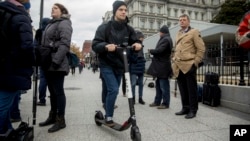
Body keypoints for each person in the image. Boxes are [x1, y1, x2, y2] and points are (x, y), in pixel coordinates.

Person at [92, 1, 142, 126]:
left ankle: (106, 105)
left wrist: (138, 44)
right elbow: (95, 44)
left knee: (110, 90)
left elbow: (136, 41)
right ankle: (109, 117)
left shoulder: (129, 29)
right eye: (121, 9)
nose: (124, 12)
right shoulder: (104, 27)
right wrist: (106, 46)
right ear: (115, 11)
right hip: (106, 63)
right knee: (113, 89)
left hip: (121, 65)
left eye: (125, 10)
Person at [0, 0, 34, 135]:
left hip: (4, 64)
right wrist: (30, 64)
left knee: (6, 101)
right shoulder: (20, 16)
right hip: (12, 66)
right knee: (4, 103)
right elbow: (26, 46)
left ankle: (6, 130)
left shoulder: (4, 11)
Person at [38, 3, 72, 133]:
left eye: (55, 8)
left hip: (57, 63)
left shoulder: (64, 23)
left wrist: (56, 62)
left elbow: (64, 44)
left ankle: (60, 119)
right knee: (52, 92)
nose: (52, 10)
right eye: (52, 8)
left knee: (58, 92)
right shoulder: (52, 23)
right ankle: (52, 116)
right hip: (48, 62)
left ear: (62, 11)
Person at [172, 14, 205, 119]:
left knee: (191, 89)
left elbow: (201, 48)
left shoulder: (194, 32)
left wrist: (195, 62)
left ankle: (193, 110)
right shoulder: (178, 33)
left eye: (184, 20)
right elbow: (176, 48)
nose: (181, 21)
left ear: (188, 21)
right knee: (182, 89)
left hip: (189, 64)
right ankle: (185, 108)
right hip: (178, 65)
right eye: (180, 20)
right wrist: (173, 60)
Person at [147, 25, 173, 109]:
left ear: (162, 32)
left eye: (160, 32)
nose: (159, 33)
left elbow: (160, 51)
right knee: (158, 85)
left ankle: (165, 103)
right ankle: (157, 101)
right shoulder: (165, 38)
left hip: (163, 66)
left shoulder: (166, 39)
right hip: (161, 66)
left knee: (163, 86)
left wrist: (151, 51)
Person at [34, 17, 51, 106]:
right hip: (51, 59)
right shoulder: (51, 31)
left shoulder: (39, 32)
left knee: (43, 80)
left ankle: (42, 99)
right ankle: (53, 96)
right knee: (52, 80)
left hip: (42, 59)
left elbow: (35, 46)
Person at [129, 30, 146, 104]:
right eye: (142, 37)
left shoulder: (141, 45)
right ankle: (134, 98)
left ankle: (140, 98)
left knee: (140, 83)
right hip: (135, 65)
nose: (143, 39)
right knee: (133, 83)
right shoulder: (134, 45)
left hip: (140, 65)